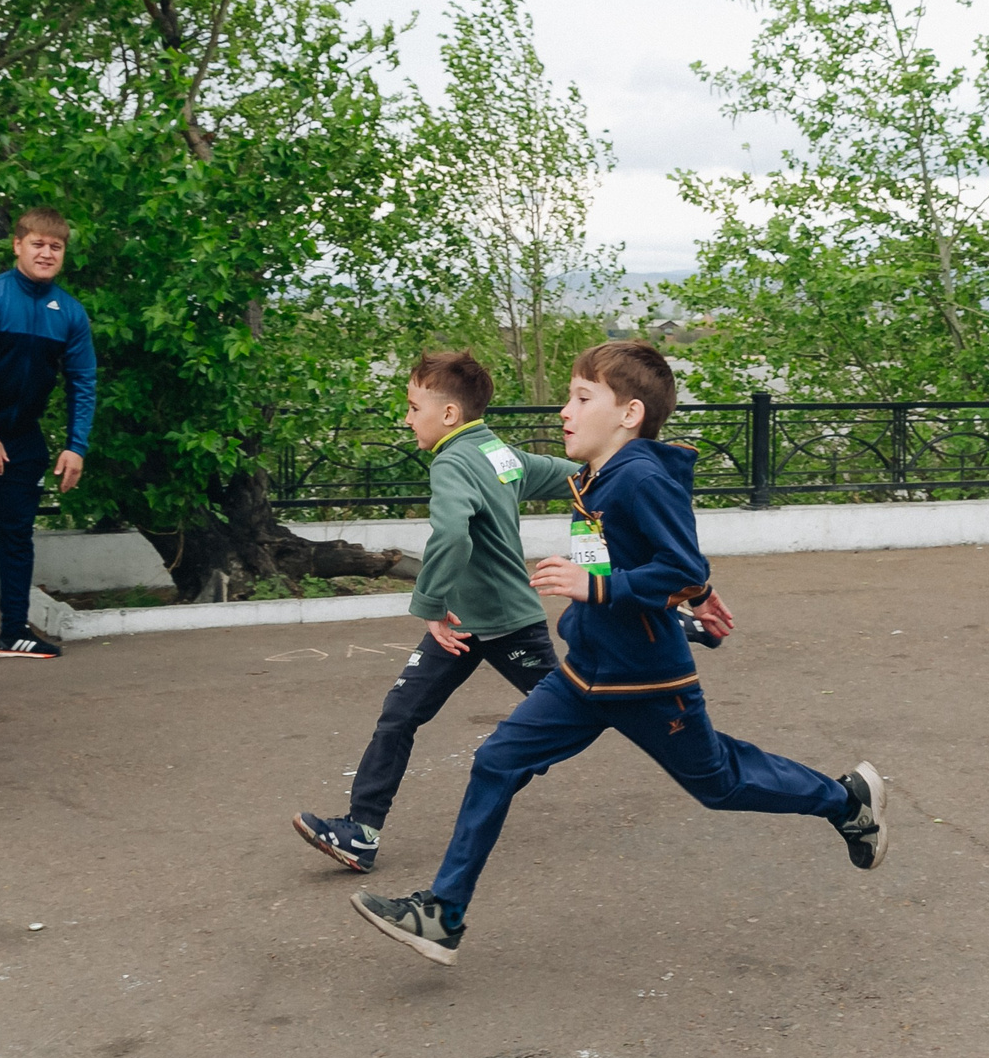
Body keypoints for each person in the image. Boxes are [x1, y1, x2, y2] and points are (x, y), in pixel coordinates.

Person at [348, 341, 889, 966]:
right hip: (585, 673)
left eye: (582, 398)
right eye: (568, 397)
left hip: (644, 680)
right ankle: (443, 914)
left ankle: (846, 801)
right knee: (496, 761)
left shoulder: (640, 477)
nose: (564, 410)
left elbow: (679, 563)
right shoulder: (595, 477)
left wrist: (607, 588)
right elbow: (659, 564)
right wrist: (691, 599)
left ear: (629, 414)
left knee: (718, 782)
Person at [293, 351, 577, 872]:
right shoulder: (495, 451)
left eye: (413, 407)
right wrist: (628, 468)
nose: (407, 419)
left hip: (504, 623)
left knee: (578, 708)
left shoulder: (454, 461)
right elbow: (571, 476)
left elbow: (452, 536)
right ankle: (360, 833)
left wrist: (428, 603)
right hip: (463, 626)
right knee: (400, 713)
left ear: (449, 414)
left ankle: (662, 718)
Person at [0, 207, 97, 659]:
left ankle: (14, 632)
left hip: (22, 439)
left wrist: (76, 446)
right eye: (37, 244)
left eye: (55, 247)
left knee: (17, 536)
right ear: (18, 245)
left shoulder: (70, 312)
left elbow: (83, 382)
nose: (46, 253)